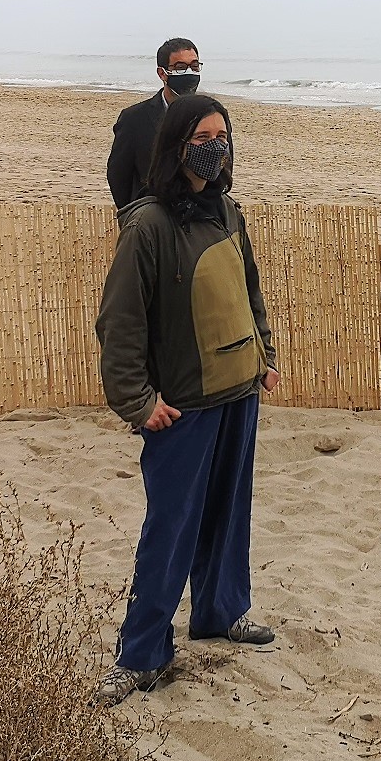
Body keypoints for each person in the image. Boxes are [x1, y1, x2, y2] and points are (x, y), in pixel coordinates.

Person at [94, 93, 280, 703]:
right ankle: (142, 652)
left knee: (230, 513)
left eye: (224, 134)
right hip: (182, 405)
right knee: (171, 527)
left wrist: (265, 356)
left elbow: (250, 291)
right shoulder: (147, 225)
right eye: (205, 134)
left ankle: (221, 612)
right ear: (178, 144)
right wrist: (138, 401)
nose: (217, 144)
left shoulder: (229, 212)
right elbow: (119, 323)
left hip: (238, 393)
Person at [107, 37, 203, 208]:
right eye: (180, 68)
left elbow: (224, 167)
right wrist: (133, 215)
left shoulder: (211, 116)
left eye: (194, 66)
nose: (189, 73)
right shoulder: (134, 119)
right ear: (162, 73)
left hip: (201, 219)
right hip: (153, 219)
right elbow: (118, 175)